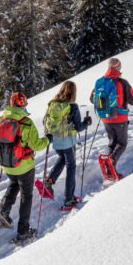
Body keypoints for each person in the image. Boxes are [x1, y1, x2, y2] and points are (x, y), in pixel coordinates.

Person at [0, 91, 49, 243]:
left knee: (13, 183)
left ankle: (4, 210)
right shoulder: (26, 122)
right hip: (24, 165)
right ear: (23, 104)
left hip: (7, 164)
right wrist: (47, 140)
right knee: (26, 196)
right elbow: (36, 145)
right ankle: (23, 232)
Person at [42, 80, 92, 210]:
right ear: (73, 92)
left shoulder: (52, 104)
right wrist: (86, 122)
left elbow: (45, 121)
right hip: (68, 141)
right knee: (71, 167)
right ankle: (69, 198)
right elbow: (79, 127)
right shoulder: (72, 106)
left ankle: (49, 182)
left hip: (56, 141)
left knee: (62, 159)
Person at [91, 57, 133, 178]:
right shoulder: (122, 83)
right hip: (120, 118)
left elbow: (92, 98)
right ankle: (112, 161)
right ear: (119, 68)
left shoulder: (100, 82)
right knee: (122, 143)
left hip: (105, 118)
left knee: (112, 144)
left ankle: (110, 169)